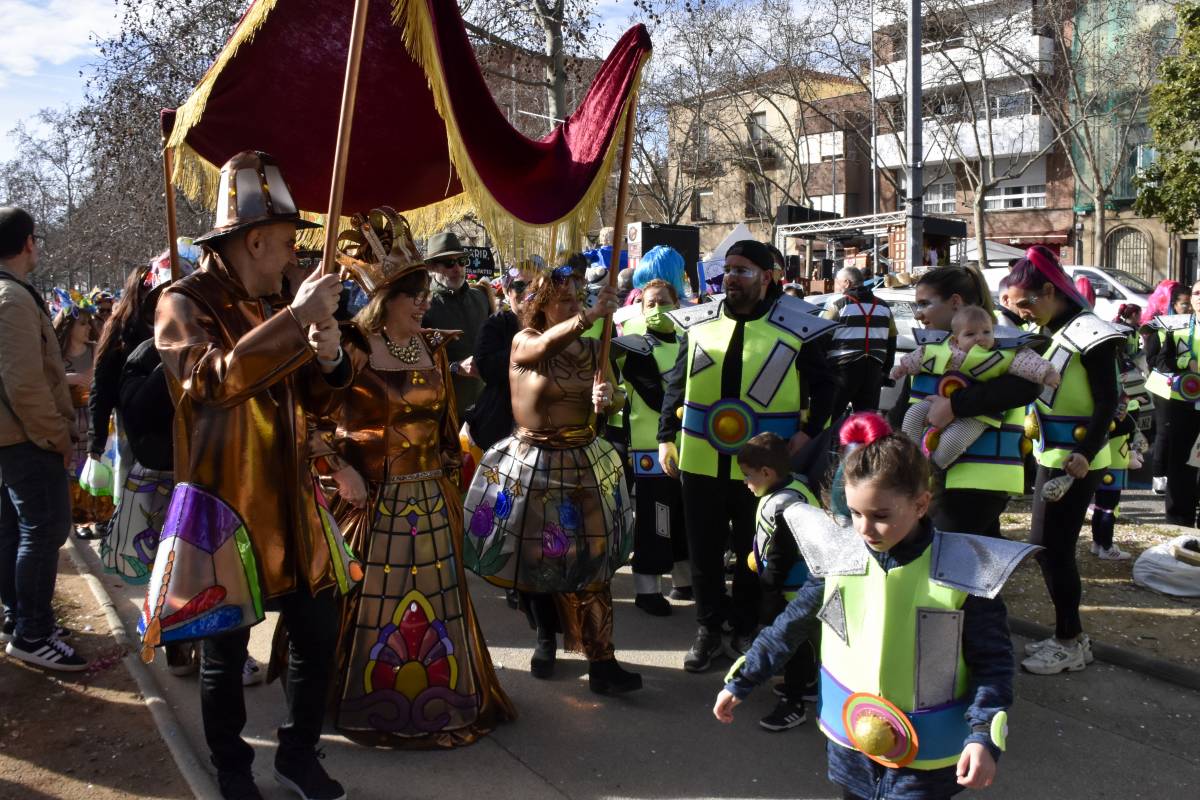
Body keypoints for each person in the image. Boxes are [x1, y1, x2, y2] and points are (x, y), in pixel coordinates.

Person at [150, 151, 353, 800]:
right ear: (256, 239)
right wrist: (294, 321)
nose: (297, 254)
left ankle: (297, 753)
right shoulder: (182, 303)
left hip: (294, 503)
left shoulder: (277, 300)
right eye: (289, 241)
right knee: (224, 650)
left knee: (319, 629)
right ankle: (233, 771)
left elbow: (318, 406)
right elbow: (212, 383)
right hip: (225, 506)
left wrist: (329, 356)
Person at [715, 413, 1036, 800]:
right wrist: (745, 677)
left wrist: (984, 735)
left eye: (881, 516)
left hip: (926, 764)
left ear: (921, 504)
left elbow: (993, 664)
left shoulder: (965, 572)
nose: (865, 529)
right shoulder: (839, 557)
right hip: (852, 749)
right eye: (855, 514)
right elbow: (792, 623)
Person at [310, 208, 514, 747]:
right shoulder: (352, 347)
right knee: (366, 596)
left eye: (425, 293)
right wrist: (340, 466)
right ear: (386, 298)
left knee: (440, 597)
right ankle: (365, 698)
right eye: (414, 294)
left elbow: (445, 422)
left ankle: (444, 695)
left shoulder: (432, 346)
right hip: (372, 500)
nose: (424, 302)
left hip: (429, 496)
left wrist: (452, 469)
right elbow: (312, 417)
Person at [658, 239, 838, 672]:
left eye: (743, 270)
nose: (732, 278)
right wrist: (666, 437)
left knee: (752, 550)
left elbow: (829, 386)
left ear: (766, 276)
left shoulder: (798, 327)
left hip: (763, 468)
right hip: (700, 459)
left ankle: (742, 625)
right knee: (703, 551)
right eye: (729, 270)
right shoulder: (698, 322)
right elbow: (676, 385)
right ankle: (707, 629)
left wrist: (806, 433)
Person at [462, 266, 640, 694]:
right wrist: (592, 314)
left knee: (593, 564)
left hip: (583, 462)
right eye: (566, 300)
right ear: (540, 308)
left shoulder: (594, 347)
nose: (576, 305)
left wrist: (608, 399)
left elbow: (613, 398)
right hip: (533, 465)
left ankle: (603, 660)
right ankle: (545, 640)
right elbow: (543, 345)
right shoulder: (524, 342)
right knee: (540, 564)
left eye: (579, 296)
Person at [1003, 246, 1123, 675]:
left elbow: (1108, 400)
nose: (1024, 314)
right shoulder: (1053, 331)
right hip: (1053, 454)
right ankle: (1070, 635)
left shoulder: (1092, 331)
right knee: (1049, 550)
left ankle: (1069, 639)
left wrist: (1085, 454)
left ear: (1050, 291)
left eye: (1027, 303)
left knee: (1054, 550)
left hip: (1074, 459)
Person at [888, 266, 1040, 539]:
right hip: (937, 480)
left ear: (956, 302)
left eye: (924, 304)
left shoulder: (1003, 344)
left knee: (945, 561)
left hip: (978, 478)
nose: (919, 314)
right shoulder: (933, 347)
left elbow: (1026, 387)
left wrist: (954, 405)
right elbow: (904, 408)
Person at [0, 206, 86, 671]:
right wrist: (56, 435)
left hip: (15, 438)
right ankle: (32, 632)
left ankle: (22, 618)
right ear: (28, 242)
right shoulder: (11, 300)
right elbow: (24, 384)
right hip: (27, 439)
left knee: (15, 529)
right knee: (43, 530)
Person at [892, 305, 1059, 469]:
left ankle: (933, 467)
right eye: (970, 334)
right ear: (956, 340)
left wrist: (1047, 373)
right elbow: (921, 356)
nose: (980, 338)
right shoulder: (945, 347)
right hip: (938, 401)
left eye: (986, 332)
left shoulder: (1004, 353)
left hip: (979, 415)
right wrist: (902, 367)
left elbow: (1030, 362)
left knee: (953, 441)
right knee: (912, 414)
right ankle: (912, 458)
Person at [610, 278, 691, 615]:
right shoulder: (635, 348)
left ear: (677, 303)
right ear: (641, 309)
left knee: (685, 516)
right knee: (656, 518)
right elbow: (655, 396)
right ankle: (647, 587)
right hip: (650, 447)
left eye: (664, 302)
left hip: (690, 444)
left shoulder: (691, 341)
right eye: (651, 304)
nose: (658, 310)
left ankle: (684, 579)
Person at [738, 432, 819, 732]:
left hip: (793, 589)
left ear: (767, 473)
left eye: (748, 477)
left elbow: (782, 557)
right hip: (793, 586)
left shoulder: (785, 506)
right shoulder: (791, 486)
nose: (745, 482)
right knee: (802, 642)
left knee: (793, 644)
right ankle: (807, 684)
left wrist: (769, 594)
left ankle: (794, 704)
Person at [53, 297, 115, 533]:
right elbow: (48, 378)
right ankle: (80, 518)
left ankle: (102, 516)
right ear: (69, 325)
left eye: (89, 323)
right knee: (75, 470)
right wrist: (74, 379)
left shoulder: (95, 349)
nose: (88, 327)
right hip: (71, 417)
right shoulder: (57, 354)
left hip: (94, 415)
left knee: (100, 466)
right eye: (83, 323)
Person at [1146, 279, 1200, 527]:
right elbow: (1159, 360)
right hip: (1182, 403)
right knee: (1180, 462)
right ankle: (1179, 519)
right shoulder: (1175, 325)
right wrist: (1184, 363)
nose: (1199, 297)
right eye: (1197, 293)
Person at [466, 266, 534, 452]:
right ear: (506, 290)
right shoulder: (495, 324)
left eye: (534, 286)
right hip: (501, 422)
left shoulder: (551, 325)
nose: (527, 292)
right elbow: (487, 368)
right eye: (520, 286)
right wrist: (529, 350)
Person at [421, 231, 489, 413]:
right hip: (444, 408)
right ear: (431, 268)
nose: (457, 268)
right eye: (449, 263)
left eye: (461, 261)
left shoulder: (481, 297)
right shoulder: (422, 306)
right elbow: (417, 361)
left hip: (483, 405)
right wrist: (455, 366)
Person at [823, 266, 897, 413]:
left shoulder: (838, 305)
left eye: (837, 281)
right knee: (866, 421)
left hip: (842, 370)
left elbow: (822, 338)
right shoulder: (883, 307)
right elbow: (891, 341)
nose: (835, 285)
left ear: (847, 283)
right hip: (874, 371)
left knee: (831, 417)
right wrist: (885, 371)